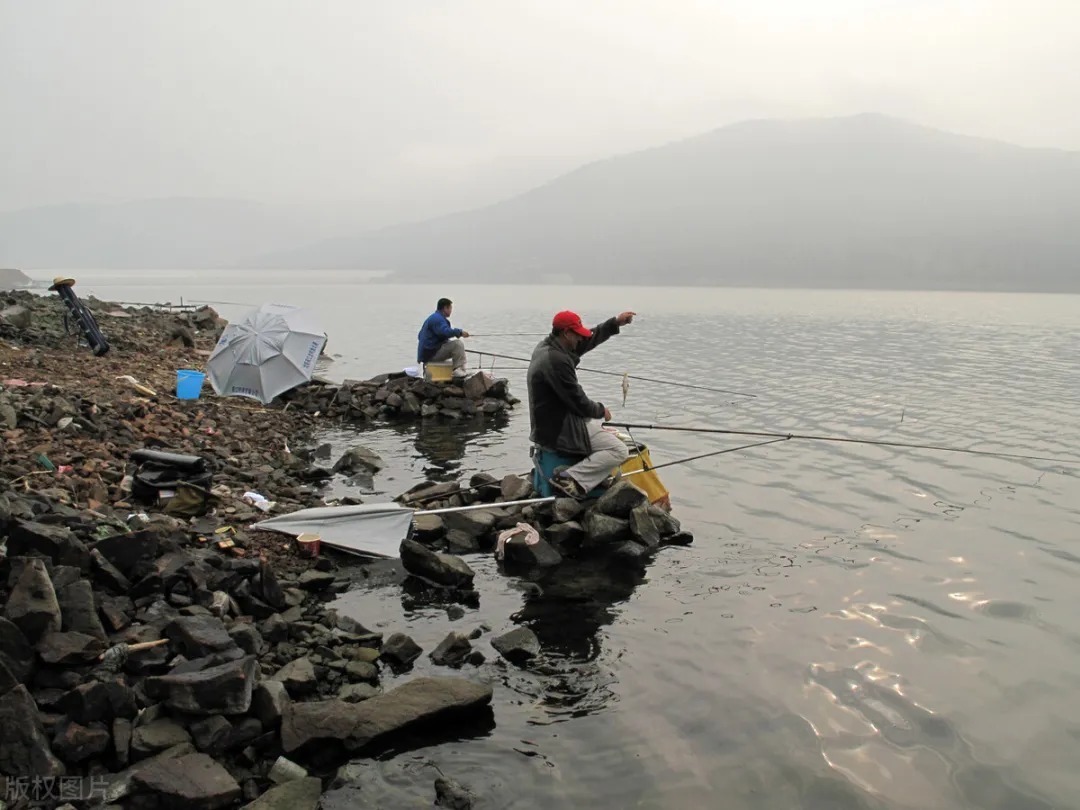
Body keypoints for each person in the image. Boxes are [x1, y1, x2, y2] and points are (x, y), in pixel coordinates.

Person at [527, 309, 636, 499]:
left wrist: (615, 323)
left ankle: (586, 477)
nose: (580, 339)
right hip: (557, 429)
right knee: (619, 450)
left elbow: (588, 340)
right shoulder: (557, 361)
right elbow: (579, 402)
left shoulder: (548, 347)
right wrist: (601, 410)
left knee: (598, 430)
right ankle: (570, 479)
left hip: (549, 421)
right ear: (566, 333)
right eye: (577, 334)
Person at [417, 297, 470, 377]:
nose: (451, 311)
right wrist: (460, 332)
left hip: (427, 355)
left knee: (455, 346)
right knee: (457, 344)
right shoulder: (438, 319)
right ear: (445, 308)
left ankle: (461, 370)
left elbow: (420, 335)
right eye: (450, 308)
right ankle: (458, 370)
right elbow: (446, 331)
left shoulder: (433, 318)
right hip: (431, 355)